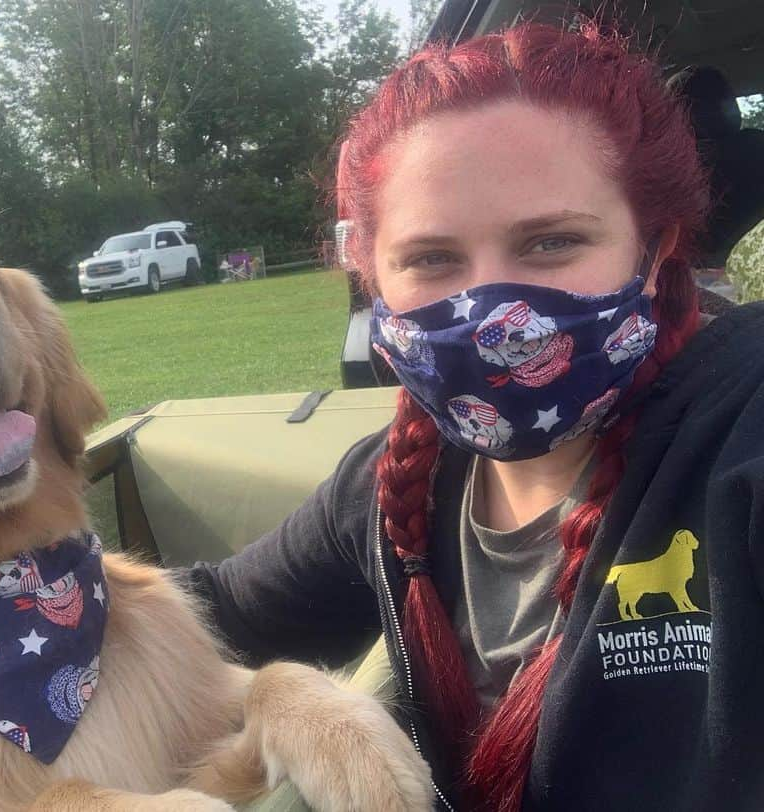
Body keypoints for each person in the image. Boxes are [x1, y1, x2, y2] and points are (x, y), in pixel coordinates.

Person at [178, 20, 764, 812]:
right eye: (432, 259)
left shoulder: (742, 429)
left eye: (552, 242)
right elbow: (209, 617)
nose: (493, 308)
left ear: (655, 253)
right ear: (372, 278)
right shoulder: (394, 490)